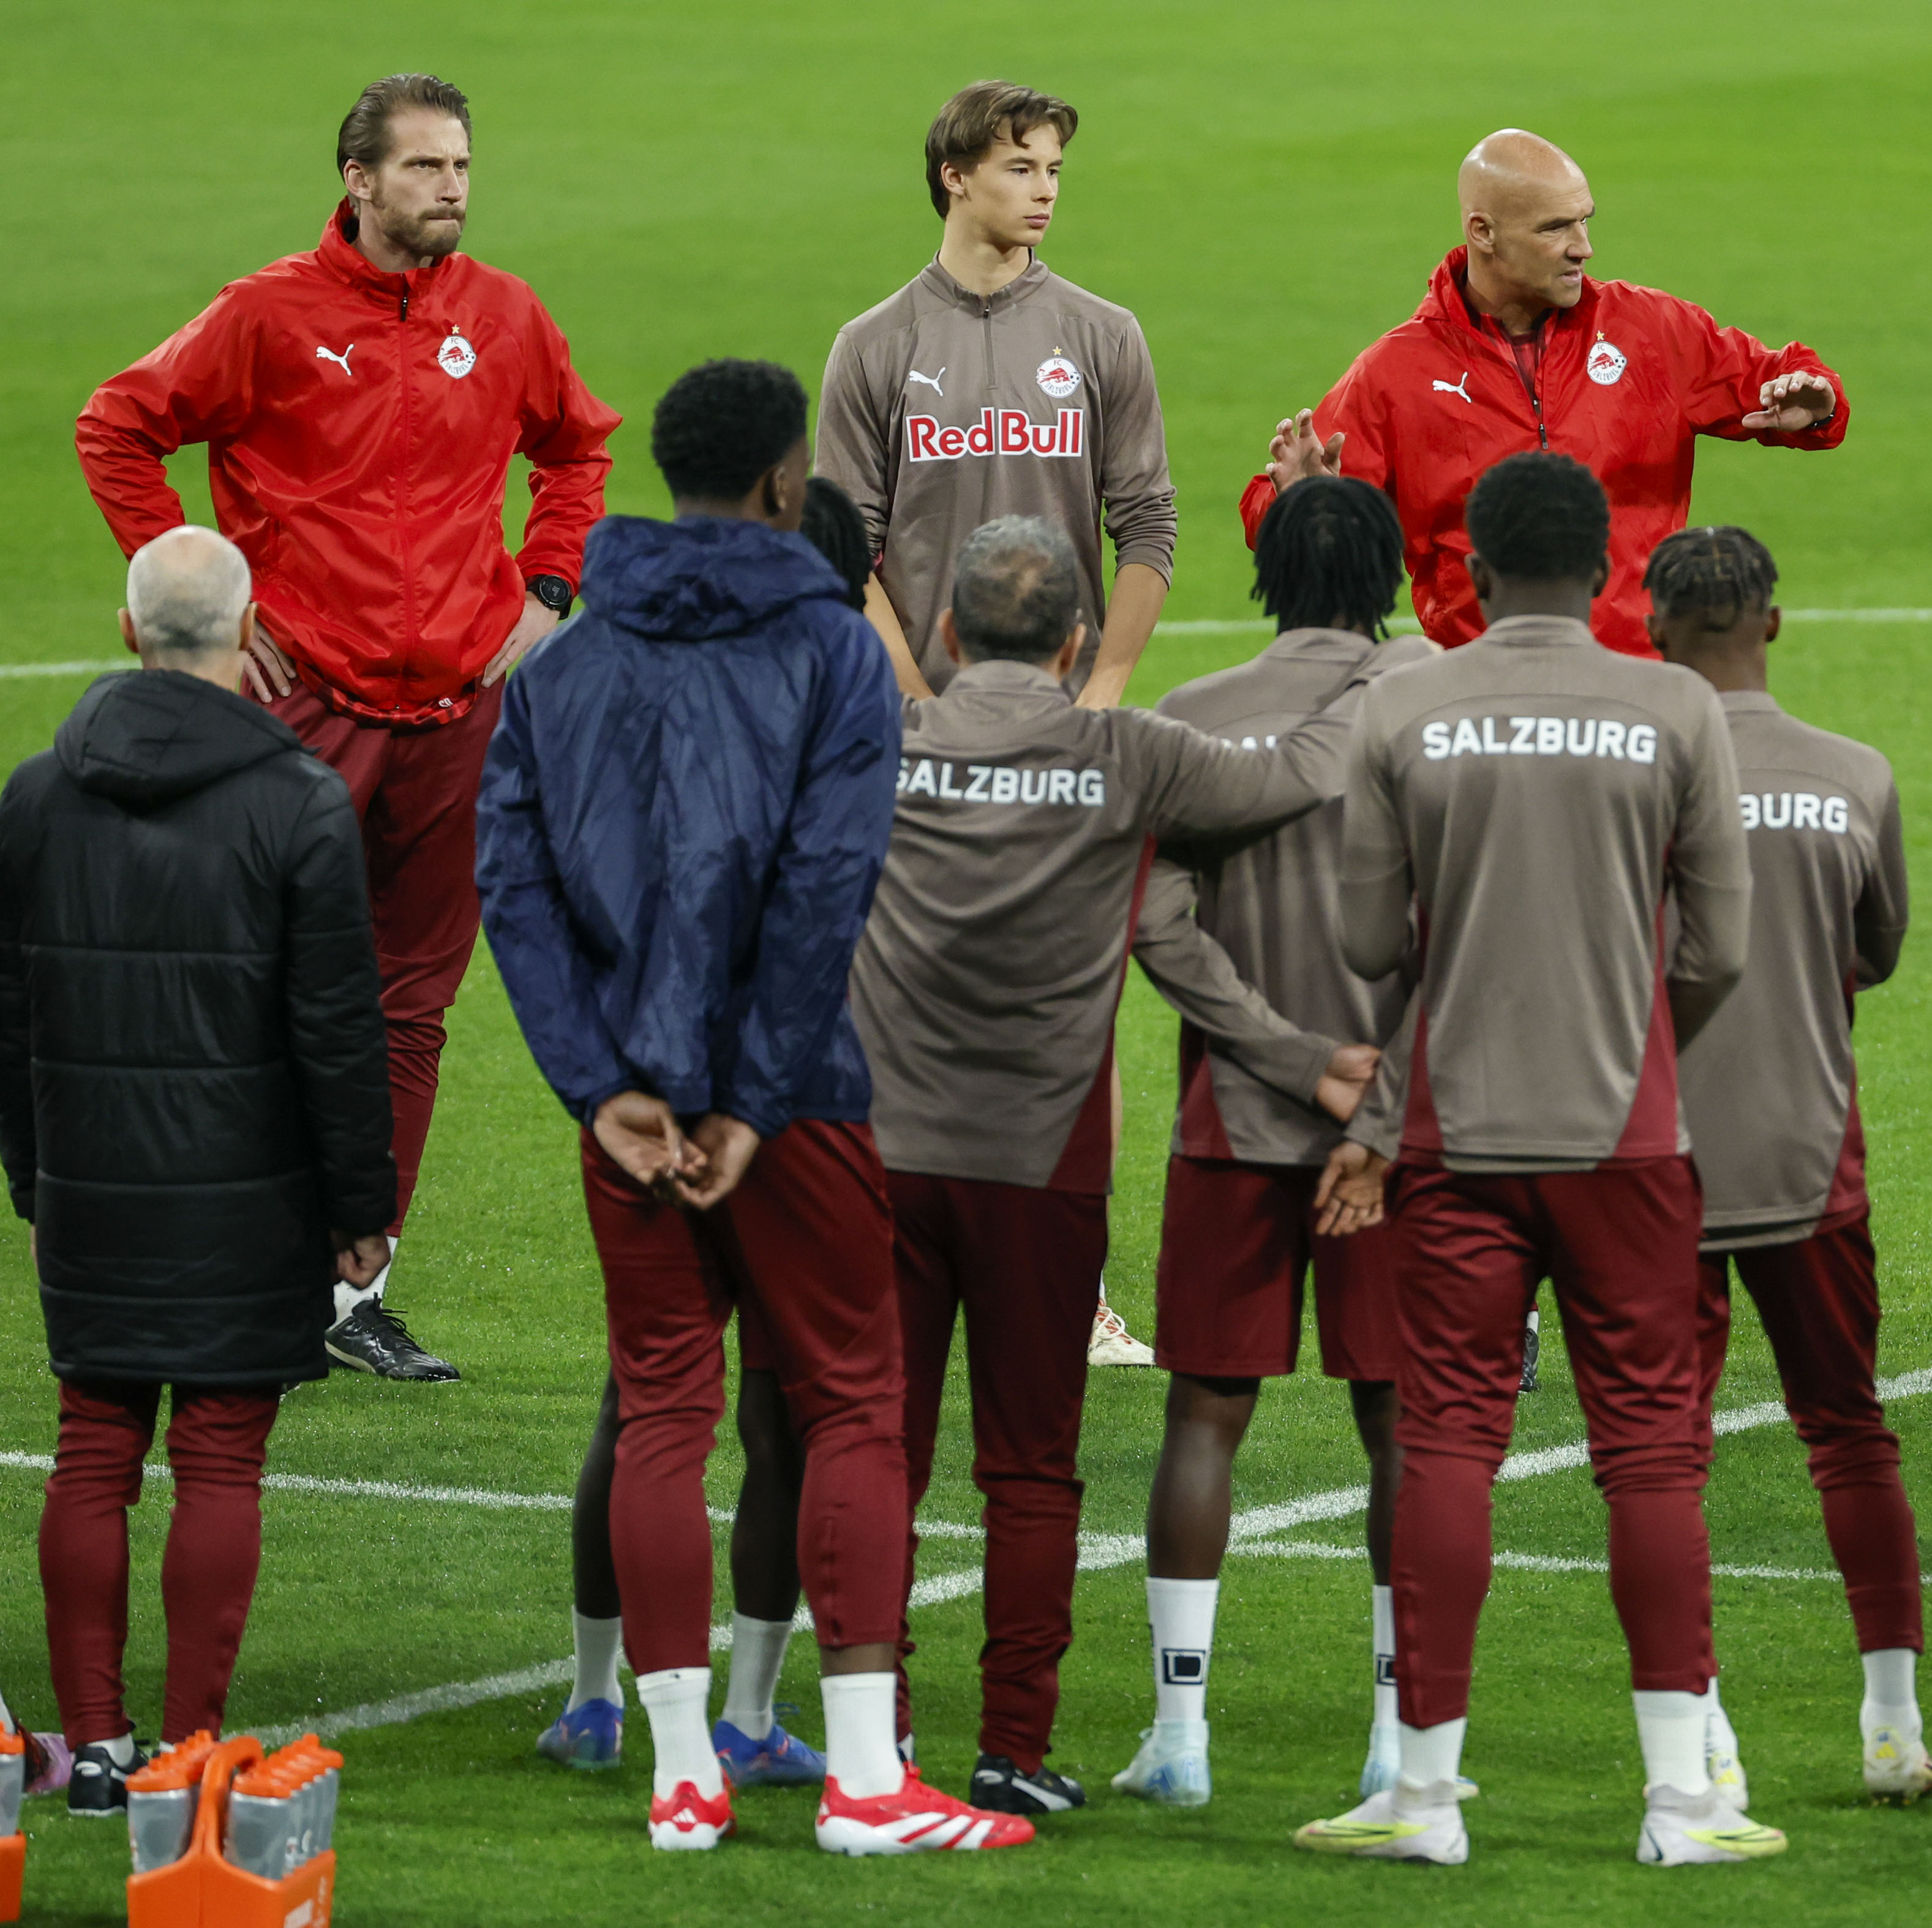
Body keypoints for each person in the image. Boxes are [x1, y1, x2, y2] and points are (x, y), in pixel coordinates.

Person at [478, 360, 1029, 1857]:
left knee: (662, 1405)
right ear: (789, 486)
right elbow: (818, 889)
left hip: (630, 1116)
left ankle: (677, 1774)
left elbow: (514, 896)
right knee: (850, 1396)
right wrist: (753, 1096)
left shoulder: (559, 668)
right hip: (794, 1108)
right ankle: (861, 1780)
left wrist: (606, 1092)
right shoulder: (833, 655)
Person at [75, 74, 620, 1382]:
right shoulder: (266, 315)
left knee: (410, 1003)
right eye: (426, 166)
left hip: (455, 717)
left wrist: (548, 587)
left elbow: (579, 449)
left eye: (463, 166)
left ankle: (352, 1285)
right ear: (359, 180)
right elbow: (118, 427)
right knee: (252, 984)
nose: (453, 188)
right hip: (299, 707)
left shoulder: (503, 315)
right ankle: (227, 1261)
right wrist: (203, 598)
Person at [1294, 452, 1779, 1869]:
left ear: (1475, 568)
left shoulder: (1406, 699)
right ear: (1609, 573)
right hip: (1628, 1133)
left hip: (1454, 1129)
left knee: (1445, 1436)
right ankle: (1682, 1799)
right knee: (1648, 1452)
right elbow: (1721, 946)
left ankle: (1423, 1793)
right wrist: (1638, 1036)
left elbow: (1367, 943)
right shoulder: (1678, 703)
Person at [848, 514, 1367, 1819]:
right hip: (1043, 1158)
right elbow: (1300, 770)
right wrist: (1369, 647)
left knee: (877, 1449)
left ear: (953, 636)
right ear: (1080, 639)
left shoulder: (883, 744)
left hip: (885, 1149)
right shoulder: (1125, 751)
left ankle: (877, 1737)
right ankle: (1012, 1743)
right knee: (1030, 1464)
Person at [0, 527, 395, 1814]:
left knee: (93, 1449)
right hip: (251, 1191)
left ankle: (94, 1742)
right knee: (221, 1459)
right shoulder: (298, 801)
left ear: (126, 631)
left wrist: (33, 1169)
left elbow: (11, 1012)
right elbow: (339, 1026)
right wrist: (360, 1207)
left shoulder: (36, 793)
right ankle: (185, 1750)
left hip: (92, 1185)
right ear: (248, 635)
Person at [528, 478, 883, 1788]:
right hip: (796, 1112)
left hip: (647, 1095)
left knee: (646, 1401)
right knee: (802, 1408)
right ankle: (747, 1713)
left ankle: (595, 1698)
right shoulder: (847, 715)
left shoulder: (641, 697)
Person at [1108, 478, 1434, 1810]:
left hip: (1233, 1120)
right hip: (1400, 1137)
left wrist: (1289, 1059)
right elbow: (1461, 926)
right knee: (1402, 1423)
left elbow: (1155, 927)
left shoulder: (1185, 719)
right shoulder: (1433, 707)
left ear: (1265, 575)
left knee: (1203, 1414)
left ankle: (1179, 1734)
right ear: (1391, 575)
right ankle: (1399, 1741)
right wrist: (1375, 1091)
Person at [1645, 528, 1932, 1806]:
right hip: (1814, 1157)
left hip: (1656, 1161)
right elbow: (1875, 950)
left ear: (1653, 629)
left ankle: (1706, 1732)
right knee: (1849, 1433)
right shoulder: (1855, 774)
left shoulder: (1633, 781)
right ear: (1774, 622)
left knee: (1666, 1453)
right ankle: (1893, 1728)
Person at [1243, 129, 1847, 659]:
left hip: (1635, 682)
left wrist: (1814, 405)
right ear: (1483, 232)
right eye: (1555, 227)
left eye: (1585, 219)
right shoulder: (1396, 373)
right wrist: (1296, 503)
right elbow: (1280, 518)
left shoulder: (1651, 331)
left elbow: (1789, 380)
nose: (1582, 246)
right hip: (1480, 693)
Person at [818, 79, 1175, 711]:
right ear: (955, 178)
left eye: (1053, 170)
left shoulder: (1105, 335)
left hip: (1066, 710)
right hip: (917, 718)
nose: (1047, 190)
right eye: (1021, 168)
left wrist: (1101, 693)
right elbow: (842, 546)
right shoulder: (873, 346)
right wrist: (914, 703)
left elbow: (1146, 524)